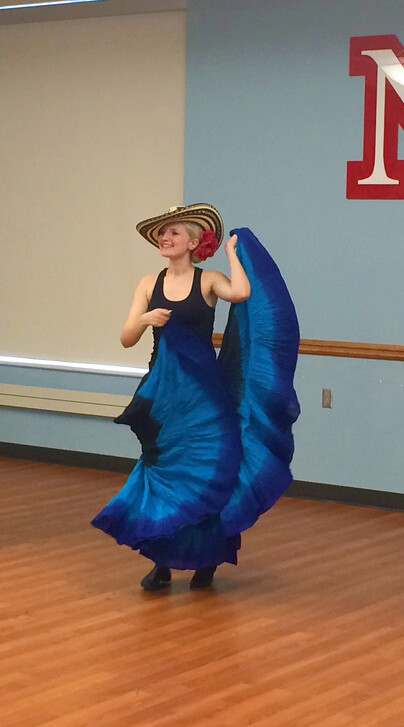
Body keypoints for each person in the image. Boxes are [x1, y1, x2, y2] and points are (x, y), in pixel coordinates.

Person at [92, 204, 300, 591]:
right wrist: (145, 319)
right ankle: (163, 562)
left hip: (205, 395)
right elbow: (126, 338)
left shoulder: (208, 281)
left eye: (172, 233)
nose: (164, 239)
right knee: (163, 472)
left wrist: (234, 255)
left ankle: (208, 558)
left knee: (207, 471)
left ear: (192, 241)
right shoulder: (146, 284)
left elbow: (241, 293)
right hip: (163, 392)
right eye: (161, 234)